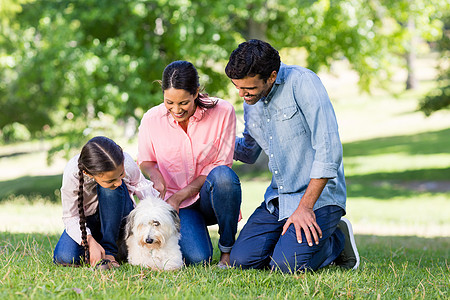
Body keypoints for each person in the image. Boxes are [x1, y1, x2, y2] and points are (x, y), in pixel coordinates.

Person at [225, 39, 360, 273]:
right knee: (242, 261)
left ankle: (335, 241)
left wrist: (305, 207)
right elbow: (248, 151)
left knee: (287, 265)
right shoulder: (252, 99)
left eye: (248, 88)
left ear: (271, 76)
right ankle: (291, 244)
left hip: (318, 198)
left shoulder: (303, 83)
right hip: (280, 197)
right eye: (238, 87)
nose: (241, 94)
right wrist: (211, 138)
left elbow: (330, 151)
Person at [137, 60, 242, 268]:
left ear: (196, 92)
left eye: (183, 102)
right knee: (197, 259)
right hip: (180, 207)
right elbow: (146, 161)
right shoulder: (151, 119)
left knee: (223, 178)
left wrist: (179, 195)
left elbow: (221, 164)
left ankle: (227, 250)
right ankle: (197, 234)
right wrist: (156, 176)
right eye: (169, 102)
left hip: (211, 197)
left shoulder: (223, 112)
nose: (176, 109)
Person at [53, 136, 159, 269]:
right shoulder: (73, 173)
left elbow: (143, 188)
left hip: (120, 216)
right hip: (90, 221)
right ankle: (103, 247)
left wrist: (156, 216)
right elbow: (71, 216)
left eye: (121, 174)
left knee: (112, 189)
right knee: (66, 257)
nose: (119, 181)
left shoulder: (125, 161)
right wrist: (90, 241)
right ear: (89, 173)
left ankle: (110, 251)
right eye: (110, 180)